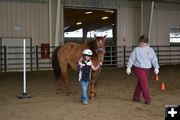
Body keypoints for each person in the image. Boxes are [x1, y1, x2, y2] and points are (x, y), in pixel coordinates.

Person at [126, 35, 159, 104]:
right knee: (144, 83)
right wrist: (129, 67)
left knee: (140, 83)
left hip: (147, 69)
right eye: (140, 42)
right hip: (138, 68)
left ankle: (136, 97)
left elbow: (154, 59)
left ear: (146, 43)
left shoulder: (150, 50)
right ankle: (147, 99)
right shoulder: (136, 50)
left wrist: (156, 67)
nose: (141, 44)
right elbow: (132, 58)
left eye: (143, 43)